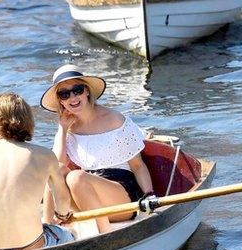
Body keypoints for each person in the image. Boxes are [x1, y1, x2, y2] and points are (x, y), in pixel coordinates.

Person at [40, 65, 156, 234]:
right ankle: (47, 227)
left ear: (87, 91)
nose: (72, 97)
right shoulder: (69, 128)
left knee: (76, 177)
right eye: (64, 94)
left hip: (121, 196)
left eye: (77, 90)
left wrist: (149, 195)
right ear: (60, 101)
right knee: (55, 170)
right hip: (85, 193)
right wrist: (62, 128)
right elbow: (57, 165)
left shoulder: (115, 120)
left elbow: (138, 165)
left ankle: (104, 234)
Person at [0, 92, 76, 250]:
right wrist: (62, 215)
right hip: (32, 246)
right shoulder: (45, 155)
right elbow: (63, 205)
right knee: (69, 234)